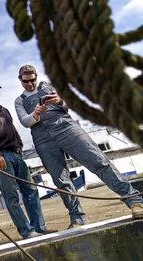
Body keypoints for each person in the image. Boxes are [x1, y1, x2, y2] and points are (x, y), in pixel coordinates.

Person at [14, 64, 143, 228]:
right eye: (26, 81)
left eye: (32, 80)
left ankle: (135, 202)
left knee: (98, 161)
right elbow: (25, 121)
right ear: (20, 80)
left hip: (66, 127)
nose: (30, 84)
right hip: (42, 138)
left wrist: (59, 101)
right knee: (61, 180)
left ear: (36, 77)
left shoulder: (50, 86)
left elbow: (68, 105)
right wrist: (36, 113)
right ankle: (77, 218)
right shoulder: (19, 101)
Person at [0, 81, 54, 239]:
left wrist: (20, 147)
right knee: (11, 196)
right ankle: (27, 231)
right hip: (0, 156)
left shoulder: (4, 110)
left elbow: (13, 130)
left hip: (16, 153)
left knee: (31, 190)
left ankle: (39, 228)